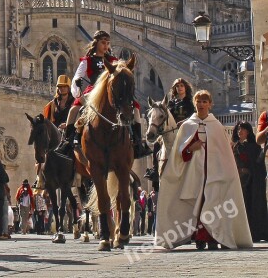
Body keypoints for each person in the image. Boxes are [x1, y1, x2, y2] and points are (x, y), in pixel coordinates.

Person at [155, 90, 253, 250]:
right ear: (195, 103)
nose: (201, 104)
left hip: (214, 174)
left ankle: (214, 237)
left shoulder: (216, 126)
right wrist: (189, 148)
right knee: (197, 204)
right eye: (198, 101)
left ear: (210, 104)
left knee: (214, 204)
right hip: (193, 173)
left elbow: (225, 153)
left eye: (204, 101)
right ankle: (199, 237)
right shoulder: (187, 125)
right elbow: (178, 153)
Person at [63, 30, 150, 158]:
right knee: (74, 110)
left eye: (108, 43)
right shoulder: (87, 60)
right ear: (96, 43)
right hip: (94, 91)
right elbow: (77, 78)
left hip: (112, 91)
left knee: (135, 109)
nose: (106, 46)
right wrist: (78, 94)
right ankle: (67, 141)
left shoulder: (114, 60)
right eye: (103, 42)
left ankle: (137, 142)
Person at [231, 121, 268, 242]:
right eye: (238, 129)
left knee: (255, 206)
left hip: (252, 182)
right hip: (238, 181)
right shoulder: (233, 146)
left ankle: (257, 233)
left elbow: (258, 166)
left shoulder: (254, 147)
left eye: (243, 129)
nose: (240, 132)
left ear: (248, 131)